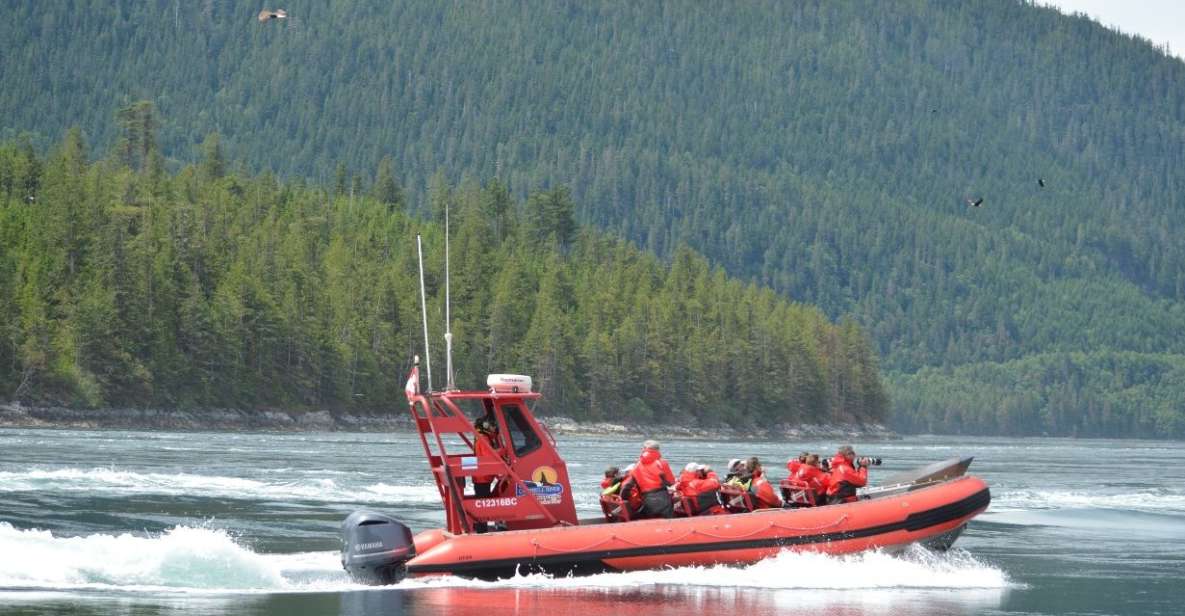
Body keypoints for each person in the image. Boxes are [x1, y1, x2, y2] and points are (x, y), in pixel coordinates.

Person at [624, 439, 675, 519]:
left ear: (644, 450)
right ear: (657, 450)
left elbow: (627, 486)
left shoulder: (637, 466)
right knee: (668, 521)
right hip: (662, 497)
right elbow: (670, 482)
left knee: (651, 519)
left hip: (646, 498)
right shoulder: (662, 463)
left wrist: (624, 499)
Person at [472, 417, 505, 532]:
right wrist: (503, 451)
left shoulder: (482, 437)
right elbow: (489, 456)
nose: (494, 427)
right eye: (492, 425)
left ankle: (481, 526)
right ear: (485, 425)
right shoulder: (483, 439)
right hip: (482, 477)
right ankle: (481, 528)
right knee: (483, 502)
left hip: (483, 476)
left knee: (483, 500)